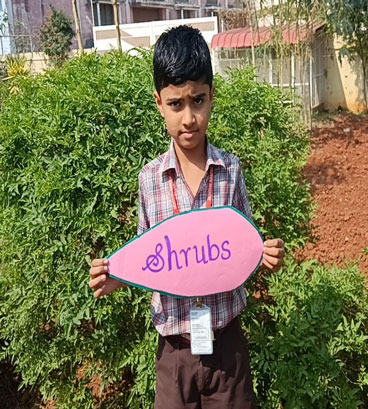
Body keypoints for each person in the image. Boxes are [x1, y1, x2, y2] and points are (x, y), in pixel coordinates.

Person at [88, 25, 285, 409]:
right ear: (159, 103)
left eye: (198, 100)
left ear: (211, 95)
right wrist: (118, 276)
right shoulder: (149, 180)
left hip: (227, 349)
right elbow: (148, 256)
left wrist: (266, 254)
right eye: (176, 104)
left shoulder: (230, 171)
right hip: (174, 355)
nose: (189, 117)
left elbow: (246, 244)